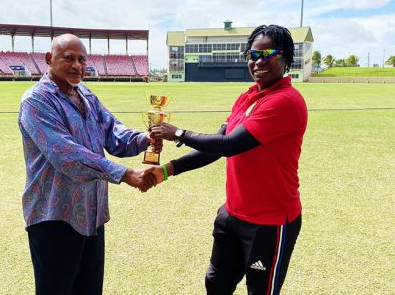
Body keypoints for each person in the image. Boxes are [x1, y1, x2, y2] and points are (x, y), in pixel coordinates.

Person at [147, 25, 307, 294]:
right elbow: (218, 146)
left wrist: (178, 133)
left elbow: (231, 145)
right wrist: (166, 171)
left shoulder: (285, 101)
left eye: (267, 53)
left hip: (269, 223)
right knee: (216, 283)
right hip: (232, 214)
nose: (258, 61)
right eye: (253, 55)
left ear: (286, 57)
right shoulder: (247, 98)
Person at [18, 33, 160, 295]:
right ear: (49, 59)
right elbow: (66, 155)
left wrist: (144, 139)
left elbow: (113, 132)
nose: (77, 66)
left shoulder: (85, 95)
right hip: (54, 217)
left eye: (82, 60)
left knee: (90, 289)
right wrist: (125, 174)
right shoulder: (36, 101)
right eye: (68, 58)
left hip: (92, 214)